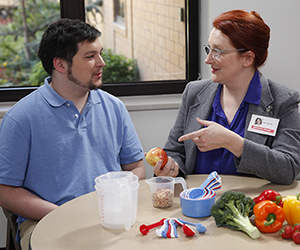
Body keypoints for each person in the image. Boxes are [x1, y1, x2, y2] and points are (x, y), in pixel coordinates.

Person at [0, 18, 145, 250]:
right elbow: (5, 191)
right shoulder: (21, 118)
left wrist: (116, 199)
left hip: (109, 216)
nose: (102, 63)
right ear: (60, 65)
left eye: (101, 53)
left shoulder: (114, 107)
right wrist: (65, 214)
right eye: (90, 56)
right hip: (47, 220)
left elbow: (136, 167)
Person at [153, 10, 300, 185]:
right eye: (209, 49)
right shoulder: (194, 92)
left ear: (247, 58)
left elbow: (288, 168)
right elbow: (175, 151)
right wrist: (171, 166)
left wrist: (233, 142)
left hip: (250, 207)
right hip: (197, 202)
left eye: (218, 52)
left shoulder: (283, 101)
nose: (208, 59)